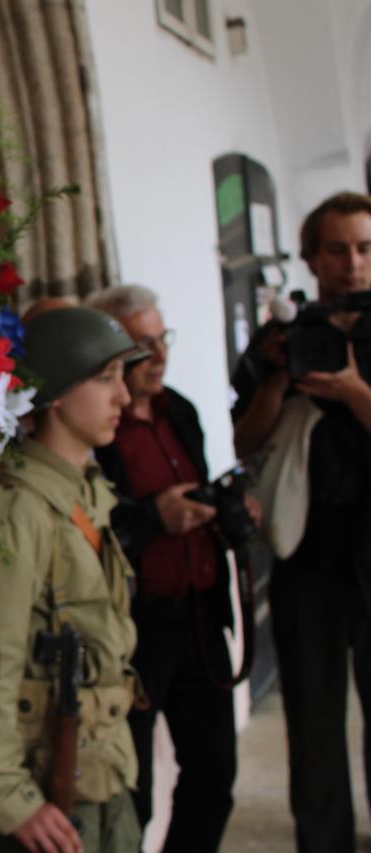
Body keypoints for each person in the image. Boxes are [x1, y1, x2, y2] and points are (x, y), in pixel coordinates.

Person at [0, 307, 148, 853]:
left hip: (103, 770)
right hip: (48, 793)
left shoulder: (86, 493)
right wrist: (11, 799)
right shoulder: (17, 513)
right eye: (105, 378)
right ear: (57, 393)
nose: (123, 396)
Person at [232, 191, 371, 853]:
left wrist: (355, 393)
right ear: (312, 258)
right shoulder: (280, 338)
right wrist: (275, 380)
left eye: (365, 248)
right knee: (312, 717)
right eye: (337, 250)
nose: (353, 263)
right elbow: (245, 441)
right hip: (305, 550)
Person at [88, 285, 237, 851]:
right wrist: (156, 516)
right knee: (135, 791)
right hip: (138, 629)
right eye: (142, 344)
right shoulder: (99, 428)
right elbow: (96, 527)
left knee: (214, 774)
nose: (159, 355)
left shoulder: (182, 410)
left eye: (162, 338)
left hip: (200, 617)